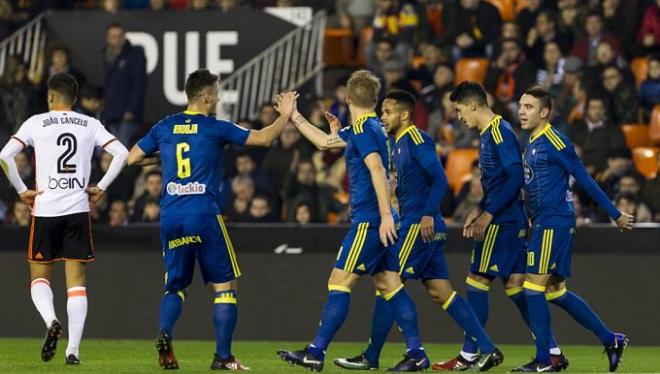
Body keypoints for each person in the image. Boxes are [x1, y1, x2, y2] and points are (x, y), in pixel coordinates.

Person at [127, 68, 297, 370]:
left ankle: (165, 335)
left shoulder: (165, 126)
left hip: (170, 215)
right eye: (217, 93)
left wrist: (165, 156)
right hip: (203, 213)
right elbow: (265, 138)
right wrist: (286, 114)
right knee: (225, 286)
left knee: (175, 287)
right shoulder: (215, 127)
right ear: (206, 97)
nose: (218, 98)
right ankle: (223, 357)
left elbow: (133, 158)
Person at [334, 89, 503, 372]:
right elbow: (355, 141)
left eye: (387, 112)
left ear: (403, 114)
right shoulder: (395, 141)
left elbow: (439, 179)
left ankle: (379, 355)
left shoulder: (416, 139)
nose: (382, 117)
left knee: (388, 285)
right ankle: (488, 349)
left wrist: (425, 213)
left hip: (418, 224)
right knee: (441, 292)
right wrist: (338, 133)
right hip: (426, 226)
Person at [276, 70, 429, 372]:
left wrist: (384, 216)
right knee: (390, 285)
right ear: (374, 99)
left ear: (347, 98)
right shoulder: (370, 126)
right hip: (383, 218)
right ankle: (416, 352)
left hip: (371, 221)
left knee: (339, 282)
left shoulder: (362, 130)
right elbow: (324, 142)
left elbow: (376, 170)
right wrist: (295, 117)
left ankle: (316, 352)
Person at [435, 82, 567, 371]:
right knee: (516, 287)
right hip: (505, 218)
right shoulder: (489, 133)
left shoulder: (498, 131)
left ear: (472, 105)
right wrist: (480, 207)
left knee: (476, 282)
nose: (458, 117)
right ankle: (552, 350)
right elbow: (497, 184)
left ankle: (470, 354)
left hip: (504, 221)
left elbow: (515, 177)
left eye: (459, 110)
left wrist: (489, 214)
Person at [0, 73, 128, 365]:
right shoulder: (89, 124)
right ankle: (73, 351)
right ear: (75, 98)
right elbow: (120, 153)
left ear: (50, 97)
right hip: (77, 209)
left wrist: (22, 190)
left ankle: (50, 321)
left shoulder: (35, 122)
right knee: (77, 283)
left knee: (39, 277)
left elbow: (5, 156)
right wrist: (101, 187)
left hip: (45, 208)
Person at [515, 86, 633, 372]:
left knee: (531, 289)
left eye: (529, 106)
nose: (521, 110)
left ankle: (544, 359)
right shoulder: (532, 141)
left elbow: (585, 179)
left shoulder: (556, 141)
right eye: (521, 105)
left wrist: (614, 213)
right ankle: (611, 339)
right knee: (555, 292)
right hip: (545, 220)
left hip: (553, 221)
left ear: (545, 112)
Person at [103, 22, 147, 147]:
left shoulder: (135, 55)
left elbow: (140, 85)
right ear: (107, 38)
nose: (117, 40)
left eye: (120, 36)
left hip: (127, 116)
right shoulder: (106, 55)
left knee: (124, 152)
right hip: (110, 115)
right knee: (110, 152)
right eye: (114, 37)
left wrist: (131, 109)